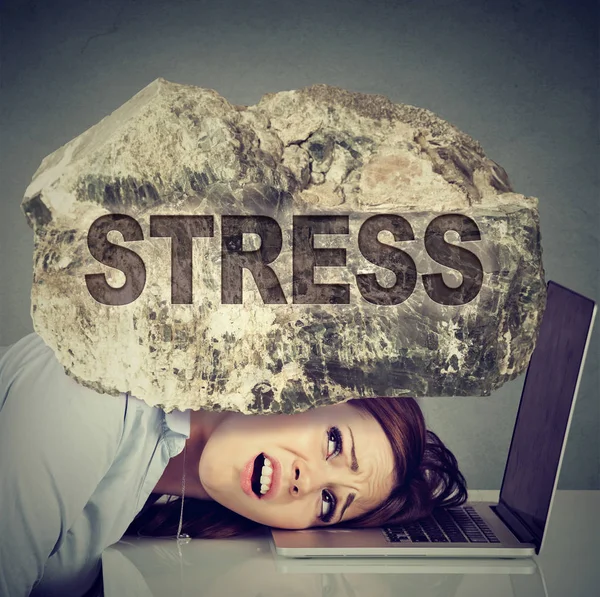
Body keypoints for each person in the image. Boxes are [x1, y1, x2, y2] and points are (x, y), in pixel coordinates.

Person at [0, 332, 467, 597]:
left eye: (329, 503)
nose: (308, 482)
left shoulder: (156, 481)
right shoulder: (95, 393)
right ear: (303, 383)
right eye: (332, 442)